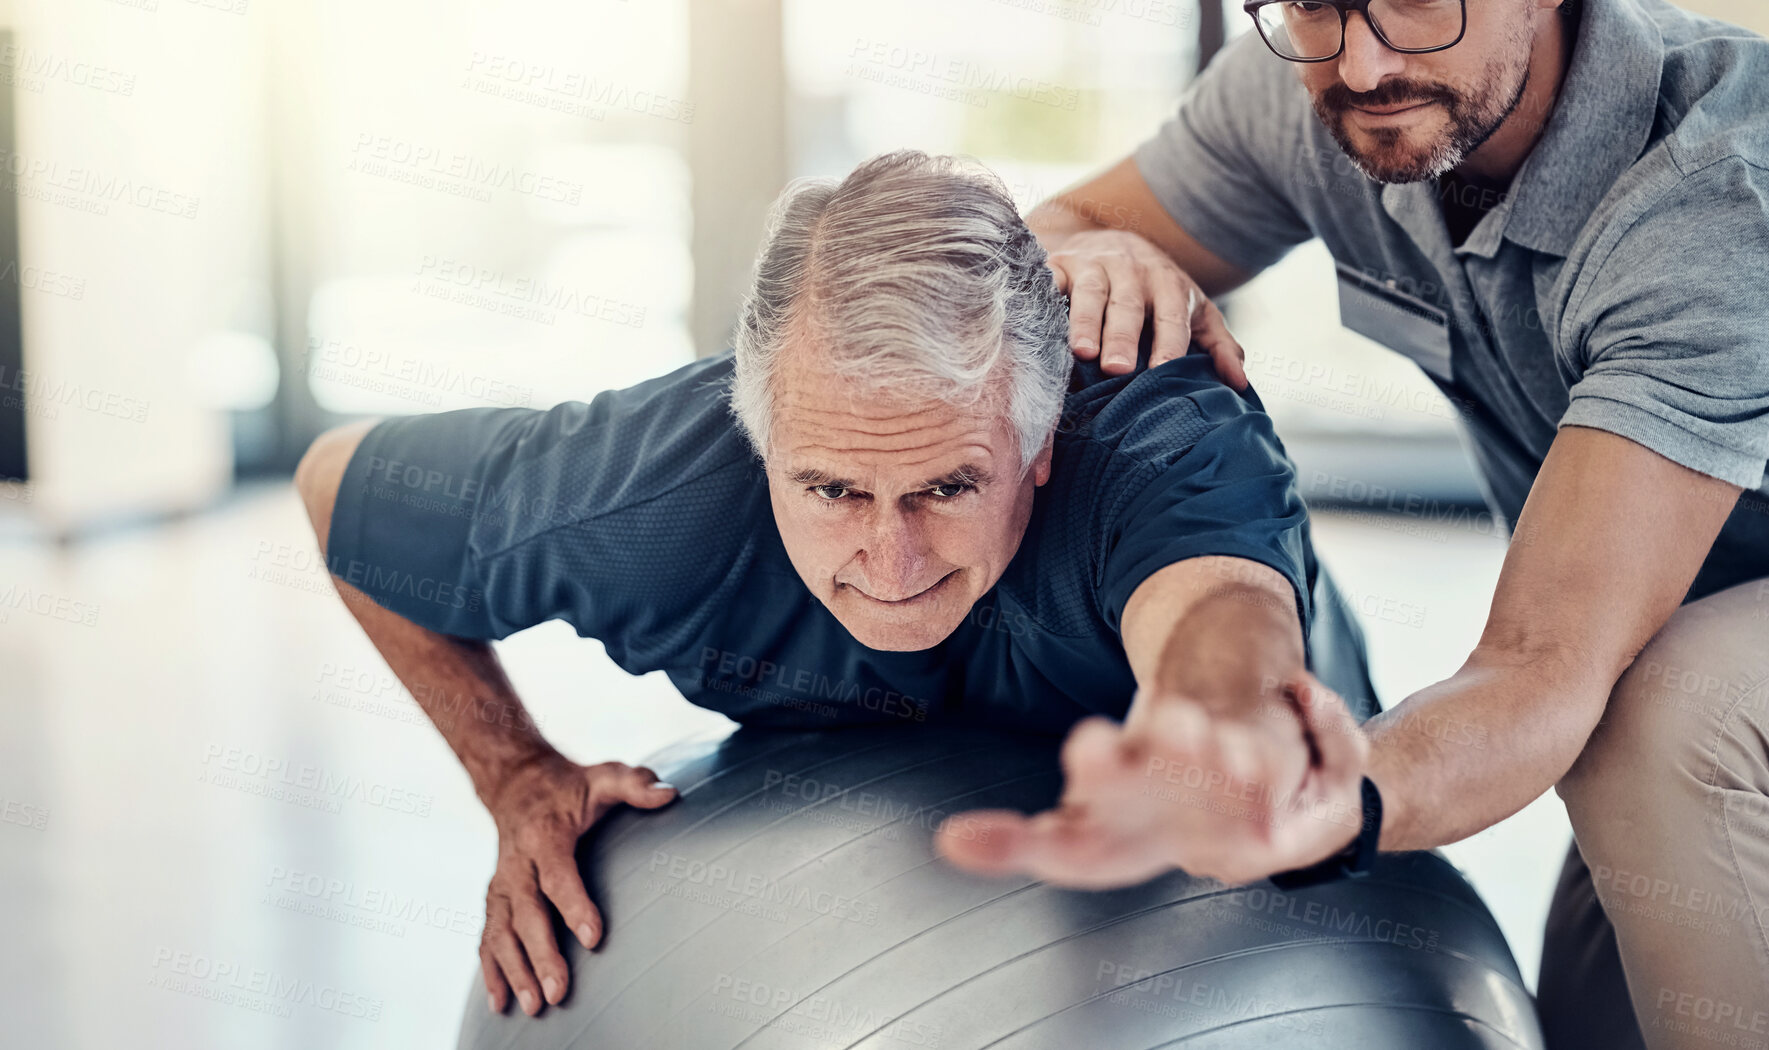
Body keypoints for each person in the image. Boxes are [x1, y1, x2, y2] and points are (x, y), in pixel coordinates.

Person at [294, 150, 1376, 1023]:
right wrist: (514, 772)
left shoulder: (1156, 431)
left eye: (948, 483)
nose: (892, 562)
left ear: (1042, 440)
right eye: (831, 488)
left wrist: (1210, 722)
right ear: (756, 438)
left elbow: (1215, 610)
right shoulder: (646, 493)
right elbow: (337, 487)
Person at [1031, 0, 1769, 1046]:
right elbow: (1054, 231)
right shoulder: (1308, 87)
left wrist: (1318, 793)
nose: (1364, 64)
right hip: (1658, 623)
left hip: (1677, 667)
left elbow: (1536, 669)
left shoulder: (1709, 203)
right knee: (1596, 1017)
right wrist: (1093, 252)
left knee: (1656, 720)